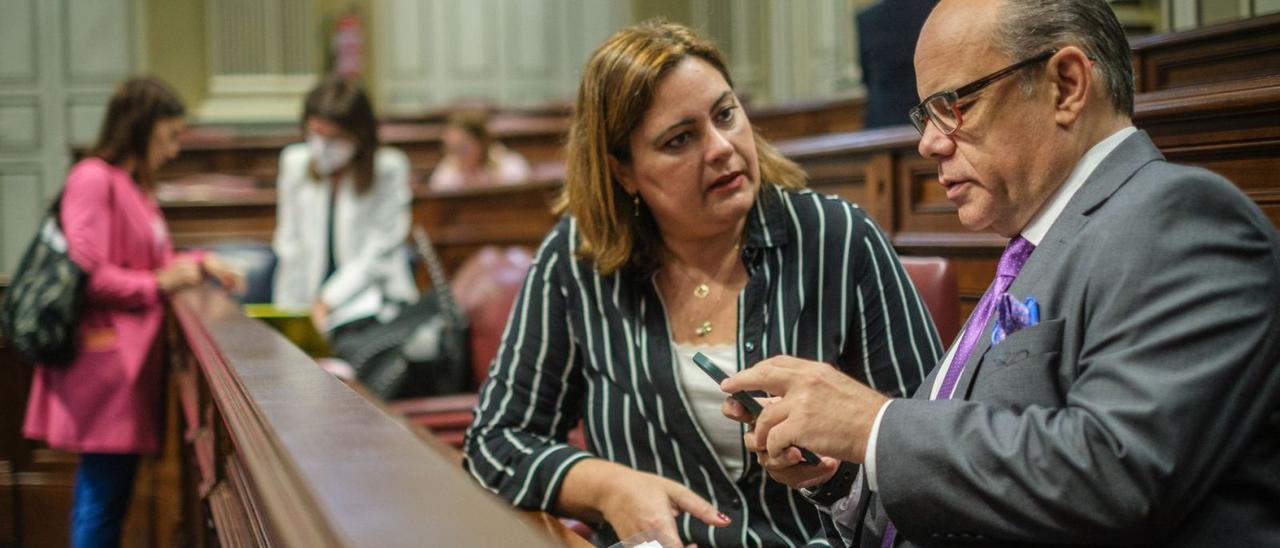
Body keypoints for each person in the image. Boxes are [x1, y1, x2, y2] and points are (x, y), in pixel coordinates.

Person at [721, 0, 1280, 545]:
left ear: (1066, 85)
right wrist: (842, 472)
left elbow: (1115, 474)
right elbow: (978, 484)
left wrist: (875, 426)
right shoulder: (1033, 249)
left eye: (952, 104)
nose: (928, 142)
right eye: (925, 115)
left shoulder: (1178, 217)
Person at [463, 21, 941, 547]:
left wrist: (837, 471)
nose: (719, 147)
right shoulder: (578, 260)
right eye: (680, 140)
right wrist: (610, 487)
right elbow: (496, 442)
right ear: (623, 171)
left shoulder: (836, 238)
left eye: (725, 114)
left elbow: (924, 452)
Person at [22, 77, 242, 547]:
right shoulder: (94, 178)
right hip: (104, 367)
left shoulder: (130, 186)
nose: (175, 149)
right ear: (141, 128)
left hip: (128, 369)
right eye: (170, 135)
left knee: (109, 497)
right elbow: (90, 273)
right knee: (101, 502)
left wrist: (200, 263)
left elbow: (152, 261)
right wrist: (159, 282)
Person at [271, 74, 418, 351]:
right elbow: (290, 245)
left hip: (371, 305)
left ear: (358, 135)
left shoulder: (388, 168)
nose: (321, 147)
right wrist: (290, 318)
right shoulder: (294, 163)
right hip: (311, 307)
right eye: (315, 134)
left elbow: (377, 254)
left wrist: (327, 301)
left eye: (333, 138)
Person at [856, 0, 938, 128]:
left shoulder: (867, 18)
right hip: (934, 119)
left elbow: (867, 78)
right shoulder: (941, 11)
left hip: (882, 125)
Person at [426, 109, 532, 191]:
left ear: (482, 142)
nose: (457, 155)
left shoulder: (511, 166)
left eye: (463, 148)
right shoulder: (447, 171)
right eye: (451, 149)